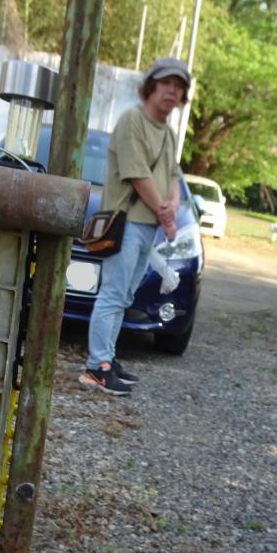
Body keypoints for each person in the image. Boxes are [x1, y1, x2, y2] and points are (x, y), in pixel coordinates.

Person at [78, 57, 190, 395]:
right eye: (166, 83)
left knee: (125, 295)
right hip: (125, 222)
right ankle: (96, 367)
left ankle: (107, 358)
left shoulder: (168, 133)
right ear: (150, 86)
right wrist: (166, 214)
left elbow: (173, 175)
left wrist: (172, 204)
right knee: (113, 294)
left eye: (179, 86)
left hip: (147, 226)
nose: (172, 91)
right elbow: (138, 175)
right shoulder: (132, 121)